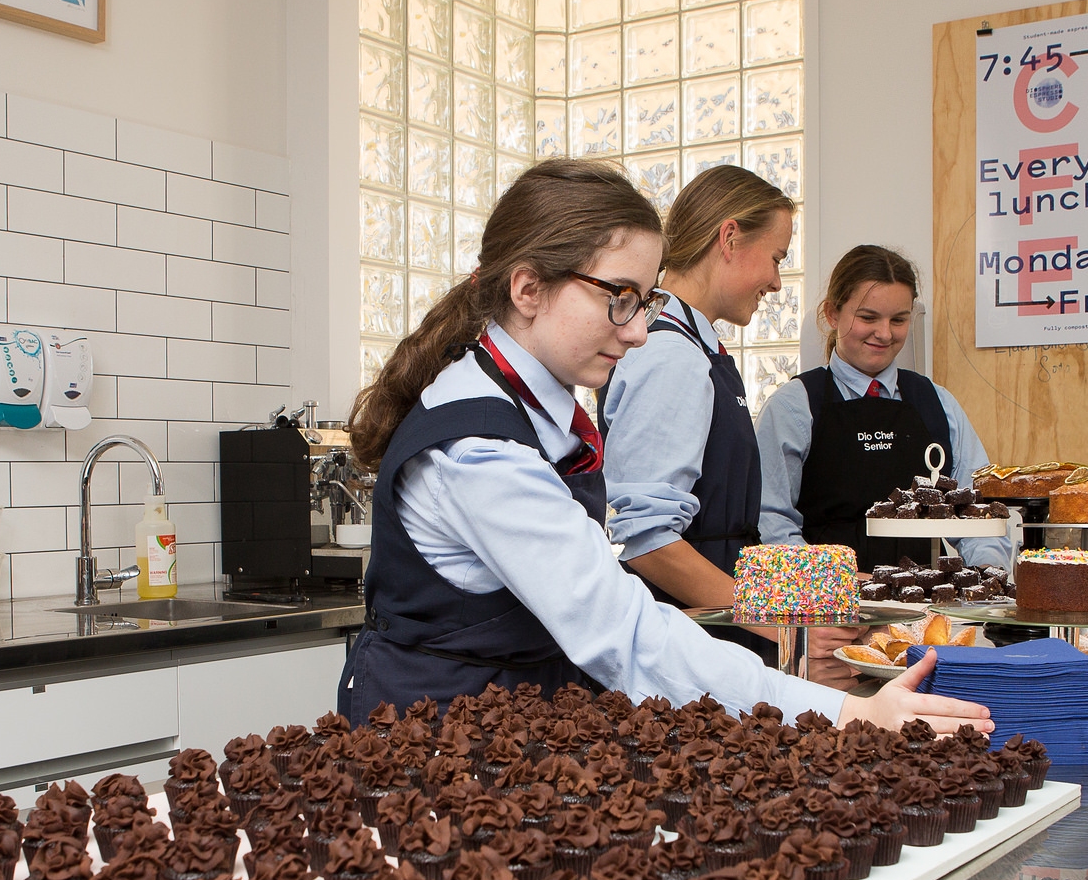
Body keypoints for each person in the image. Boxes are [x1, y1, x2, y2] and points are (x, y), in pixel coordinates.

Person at [340, 159, 991, 736]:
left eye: (644, 301)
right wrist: (835, 702)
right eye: (620, 298)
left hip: (515, 713)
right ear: (528, 289)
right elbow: (631, 607)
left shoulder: (536, 409)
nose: (638, 333)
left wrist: (828, 604)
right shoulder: (481, 450)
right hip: (437, 733)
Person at [755, 245, 1010, 686]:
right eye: (868, 317)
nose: (884, 333)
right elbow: (772, 523)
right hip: (829, 632)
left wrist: (984, 585)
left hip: (922, 629)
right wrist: (834, 590)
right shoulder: (795, 406)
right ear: (832, 314)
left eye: (899, 320)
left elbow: (978, 514)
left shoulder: (937, 403)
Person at [598, 166, 792, 643]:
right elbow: (647, 542)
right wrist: (775, 623)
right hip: (686, 638)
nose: (776, 282)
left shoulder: (696, 347)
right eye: (775, 258)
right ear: (730, 238)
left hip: (714, 627)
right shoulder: (672, 356)